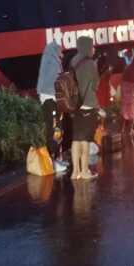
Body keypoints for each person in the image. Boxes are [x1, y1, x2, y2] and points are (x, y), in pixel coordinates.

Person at [70, 36, 100, 180]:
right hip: (88, 104)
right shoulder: (90, 63)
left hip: (75, 106)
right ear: (88, 46)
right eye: (92, 46)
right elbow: (95, 85)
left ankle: (75, 172)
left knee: (76, 139)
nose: (93, 49)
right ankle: (84, 171)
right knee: (85, 140)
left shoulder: (73, 61)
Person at [36, 41, 68, 174]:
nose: (62, 52)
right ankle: (52, 162)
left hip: (49, 101)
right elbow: (54, 82)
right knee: (54, 131)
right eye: (60, 50)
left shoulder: (49, 60)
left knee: (55, 130)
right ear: (55, 50)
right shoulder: (52, 63)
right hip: (50, 101)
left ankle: (55, 159)